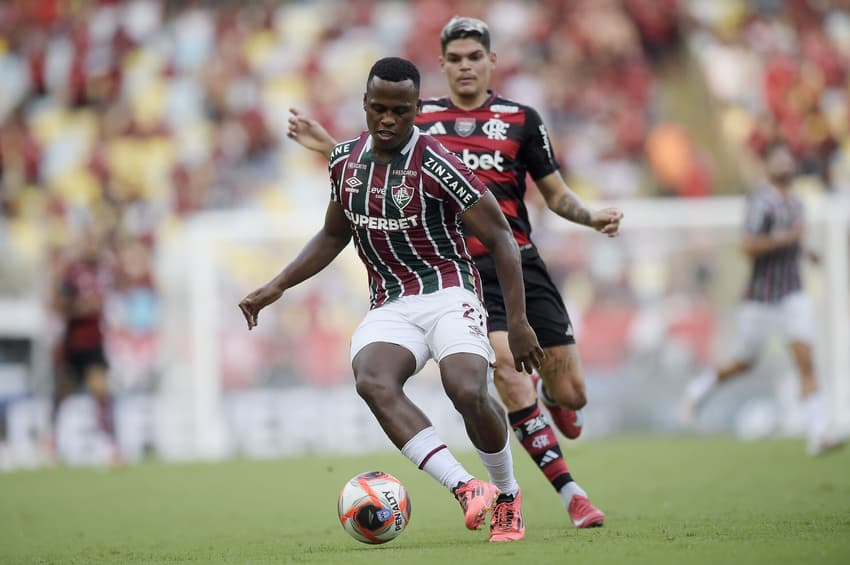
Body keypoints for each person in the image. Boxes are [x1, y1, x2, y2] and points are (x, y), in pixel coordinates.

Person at [286, 16, 623, 529]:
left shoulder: (522, 119)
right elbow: (377, 156)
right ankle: (561, 494)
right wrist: (327, 144)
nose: (465, 66)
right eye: (455, 58)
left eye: (474, 57)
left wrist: (589, 214)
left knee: (570, 392)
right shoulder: (420, 119)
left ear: (492, 61)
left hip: (518, 257)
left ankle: (554, 400)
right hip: (456, 269)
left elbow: (555, 194)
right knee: (504, 374)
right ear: (441, 66)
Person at [239, 57, 544, 542]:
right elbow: (333, 234)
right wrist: (278, 284)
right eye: (378, 108)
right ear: (364, 104)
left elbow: (503, 238)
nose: (387, 120)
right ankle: (466, 487)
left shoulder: (438, 163)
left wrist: (521, 322)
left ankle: (506, 494)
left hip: (449, 291)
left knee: (466, 389)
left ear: (416, 108)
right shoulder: (344, 162)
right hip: (392, 302)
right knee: (372, 379)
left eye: (399, 111)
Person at [681, 142, 845, 456]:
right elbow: (748, 245)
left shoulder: (797, 203)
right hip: (760, 297)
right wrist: (786, 240)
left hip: (793, 292)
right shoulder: (761, 203)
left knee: (805, 356)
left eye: (787, 159)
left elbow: (794, 241)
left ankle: (818, 431)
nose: (784, 165)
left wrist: (806, 252)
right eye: (778, 160)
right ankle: (700, 387)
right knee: (745, 360)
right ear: (768, 167)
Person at [51, 231, 120, 463]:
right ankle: (51, 441)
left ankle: (107, 444)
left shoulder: (105, 271)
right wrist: (83, 308)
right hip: (73, 340)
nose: (93, 248)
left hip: (95, 341)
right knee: (64, 391)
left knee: (100, 390)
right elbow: (58, 304)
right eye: (89, 243)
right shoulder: (72, 273)